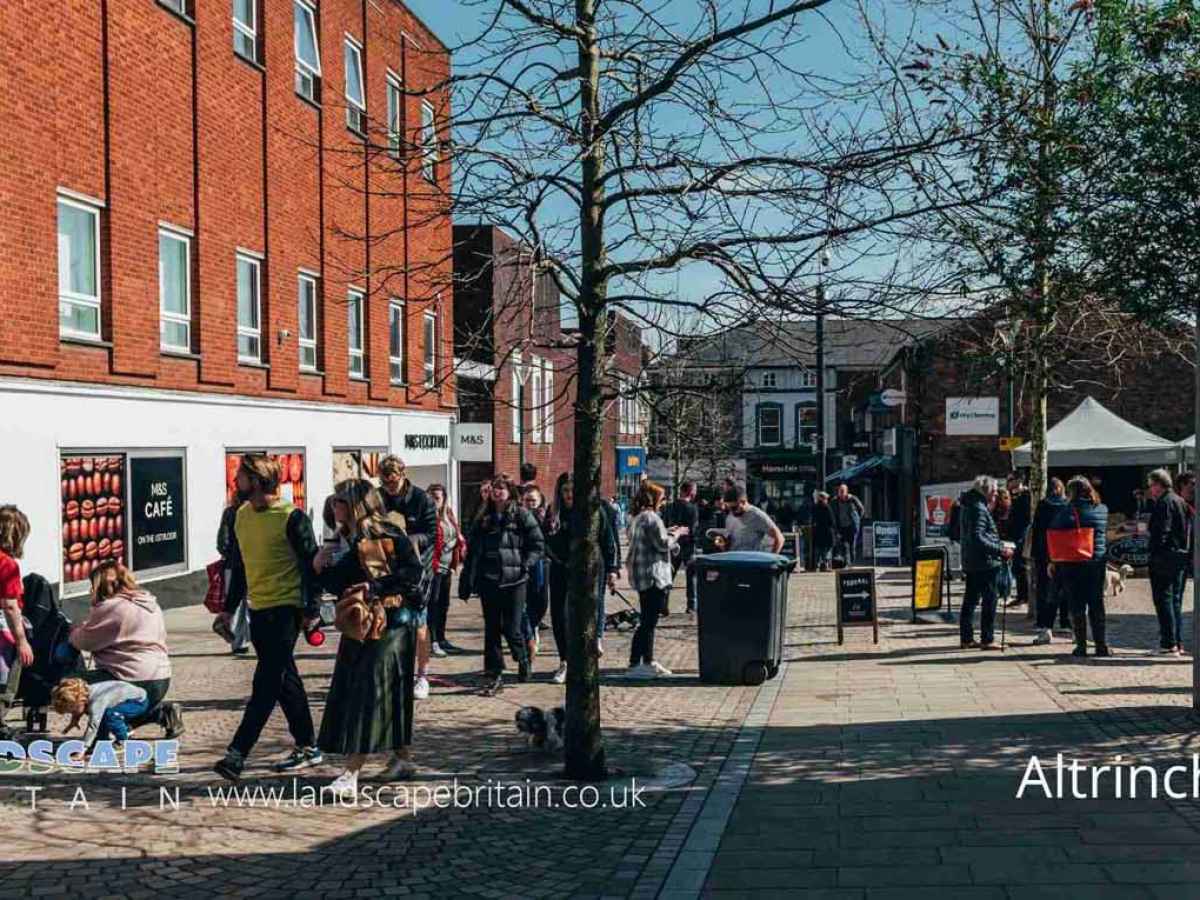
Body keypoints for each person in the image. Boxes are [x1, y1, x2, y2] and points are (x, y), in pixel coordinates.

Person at [312, 480, 425, 798]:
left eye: (339, 501)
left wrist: (374, 589)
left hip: (388, 625)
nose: (333, 506)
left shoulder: (386, 534)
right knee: (382, 692)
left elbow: (412, 575)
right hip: (365, 626)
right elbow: (342, 580)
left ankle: (351, 773)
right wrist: (319, 566)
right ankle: (403, 759)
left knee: (369, 694)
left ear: (354, 504)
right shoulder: (354, 537)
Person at [214, 454, 321, 783]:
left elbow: (311, 566)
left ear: (257, 480)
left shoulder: (292, 517)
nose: (236, 482)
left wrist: (312, 611)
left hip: (286, 611)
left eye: (242, 477)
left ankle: (237, 753)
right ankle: (308, 746)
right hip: (257, 610)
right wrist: (228, 609)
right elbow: (240, 565)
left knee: (266, 683)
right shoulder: (239, 516)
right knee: (285, 679)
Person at [65, 560, 183, 738]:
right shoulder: (149, 602)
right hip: (161, 678)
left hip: (132, 678)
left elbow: (84, 642)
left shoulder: (112, 607)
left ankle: (102, 734)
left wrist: (73, 630)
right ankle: (162, 713)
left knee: (76, 685)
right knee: (125, 703)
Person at [460, 476, 545, 695]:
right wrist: (469, 578)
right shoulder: (483, 516)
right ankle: (494, 671)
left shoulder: (521, 514)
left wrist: (526, 564)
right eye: (494, 489)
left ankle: (522, 657)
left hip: (515, 579)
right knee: (491, 629)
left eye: (502, 488)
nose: (497, 492)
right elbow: (472, 549)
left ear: (510, 492)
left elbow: (537, 544)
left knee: (512, 627)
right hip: (489, 579)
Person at [543, 474, 619, 684]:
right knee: (559, 614)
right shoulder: (554, 513)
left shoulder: (594, 510)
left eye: (572, 490)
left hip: (591, 566)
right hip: (561, 567)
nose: (569, 495)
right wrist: (555, 558)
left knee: (593, 605)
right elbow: (545, 540)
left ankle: (594, 643)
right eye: (565, 490)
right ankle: (565, 661)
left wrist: (613, 569)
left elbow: (608, 541)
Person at [378, 456, 438, 700]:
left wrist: (412, 540)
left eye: (392, 482)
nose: (389, 487)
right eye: (385, 483)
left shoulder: (421, 499)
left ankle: (422, 676)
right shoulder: (378, 497)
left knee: (419, 623)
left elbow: (432, 533)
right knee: (390, 621)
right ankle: (394, 673)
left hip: (417, 568)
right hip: (388, 567)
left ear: (402, 475)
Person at [625, 482, 683, 678]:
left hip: (642, 574)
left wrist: (667, 530)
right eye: (663, 498)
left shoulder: (638, 517)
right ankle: (643, 663)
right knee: (649, 621)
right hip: (654, 576)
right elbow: (662, 543)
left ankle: (640, 661)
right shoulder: (652, 517)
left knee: (646, 620)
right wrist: (677, 534)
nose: (664, 502)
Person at [1049, 476, 1109, 657]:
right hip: (1096, 562)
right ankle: (1101, 645)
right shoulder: (1102, 509)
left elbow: (1055, 527)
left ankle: (1081, 645)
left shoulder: (1067, 510)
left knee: (1077, 605)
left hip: (1073, 563)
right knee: (1096, 604)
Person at [958, 475, 1012, 650]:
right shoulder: (978, 508)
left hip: (973, 561)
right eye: (994, 492)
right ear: (986, 491)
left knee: (970, 600)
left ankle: (966, 638)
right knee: (989, 600)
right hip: (984, 563)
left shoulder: (970, 505)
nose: (996, 496)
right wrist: (1000, 550)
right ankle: (987, 639)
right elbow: (978, 537)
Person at [1148, 468, 1190, 656]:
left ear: (1158, 484)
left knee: (1163, 599)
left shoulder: (1164, 502)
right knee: (1175, 600)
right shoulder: (1180, 501)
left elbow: (1162, 531)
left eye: (1151, 485)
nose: (1150, 490)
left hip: (1164, 557)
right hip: (1179, 555)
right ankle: (1176, 642)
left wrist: (1155, 552)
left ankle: (1168, 643)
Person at [52, 675, 147, 755]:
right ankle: (102, 741)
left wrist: (83, 748)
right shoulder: (83, 694)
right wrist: (74, 721)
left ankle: (122, 740)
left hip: (137, 701)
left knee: (111, 715)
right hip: (121, 699)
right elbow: (79, 709)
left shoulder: (96, 702)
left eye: (72, 711)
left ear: (80, 701)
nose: (73, 714)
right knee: (103, 715)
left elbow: (93, 725)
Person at [0, 506, 32, 737]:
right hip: (3, 629)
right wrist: (21, 642)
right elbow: (10, 606)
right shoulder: (7, 565)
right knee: (8, 680)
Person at [427, 484, 465, 657]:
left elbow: (455, 533)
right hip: (433, 567)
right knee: (432, 604)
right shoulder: (427, 516)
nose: (434, 501)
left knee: (443, 604)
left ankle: (441, 638)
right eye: (431, 497)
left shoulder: (448, 514)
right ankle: (432, 640)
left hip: (447, 566)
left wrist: (460, 542)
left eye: (437, 498)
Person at [1031, 477, 1069, 644]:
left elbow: (1037, 531)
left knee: (1043, 589)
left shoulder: (1042, 505)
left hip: (1044, 553)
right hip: (1063, 553)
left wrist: (1037, 554)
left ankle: (1043, 623)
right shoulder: (1067, 505)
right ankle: (1065, 620)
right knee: (1064, 588)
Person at [216, 489, 251, 655]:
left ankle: (239, 642)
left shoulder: (230, 513)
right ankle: (251, 639)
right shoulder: (254, 514)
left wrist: (229, 554)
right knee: (253, 602)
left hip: (233, 564)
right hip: (254, 563)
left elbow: (222, 541)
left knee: (236, 604)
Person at [520, 485, 550, 663]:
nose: (530, 504)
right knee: (523, 604)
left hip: (540, 564)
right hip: (521, 565)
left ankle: (534, 625)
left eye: (533, 500)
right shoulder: (518, 518)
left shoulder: (546, 518)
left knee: (541, 601)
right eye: (527, 500)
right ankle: (529, 632)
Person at [663, 482, 701, 616]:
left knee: (668, 576)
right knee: (691, 577)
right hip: (688, 546)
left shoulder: (669, 507)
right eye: (694, 490)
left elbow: (665, 524)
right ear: (690, 492)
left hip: (672, 544)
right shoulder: (693, 508)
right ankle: (692, 605)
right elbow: (693, 529)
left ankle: (663, 604)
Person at [721, 485, 785, 553]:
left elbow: (780, 538)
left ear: (743, 502)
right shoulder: (730, 516)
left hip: (752, 559)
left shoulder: (757, 515)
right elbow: (731, 539)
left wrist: (771, 559)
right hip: (733, 558)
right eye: (728, 508)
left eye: (734, 508)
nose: (732, 512)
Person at [1005, 474, 1032, 609]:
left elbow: (1024, 517)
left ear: (1019, 481)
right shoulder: (1013, 496)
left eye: (1010, 480)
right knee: (1016, 567)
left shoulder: (1026, 496)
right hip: (1014, 535)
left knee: (1020, 566)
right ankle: (1021, 596)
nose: (1008, 483)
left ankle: (1024, 597)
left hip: (1022, 534)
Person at [830, 483, 864, 563]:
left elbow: (861, 509)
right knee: (843, 545)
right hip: (841, 526)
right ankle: (846, 562)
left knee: (852, 545)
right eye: (839, 491)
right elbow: (831, 512)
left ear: (846, 492)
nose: (841, 493)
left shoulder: (853, 499)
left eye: (842, 491)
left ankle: (852, 563)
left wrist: (857, 520)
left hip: (852, 526)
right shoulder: (835, 501)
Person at [812, 491, 835, 571]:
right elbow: (832, 521)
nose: (827, 500)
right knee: (827, 550)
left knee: (818, 549)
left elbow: (813, 520)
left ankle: (817, 565)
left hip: (818, 531)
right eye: (826, 499)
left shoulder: (815, 507)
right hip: (827, 532)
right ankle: (826, 565)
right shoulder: (827, 508)